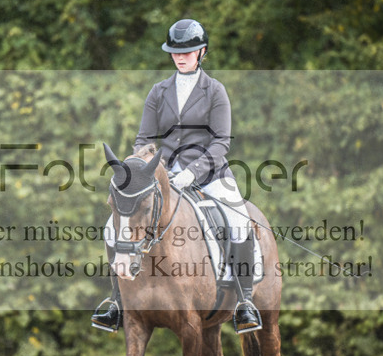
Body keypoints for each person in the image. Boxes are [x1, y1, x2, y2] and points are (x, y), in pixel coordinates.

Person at [91, 18, 262, 334]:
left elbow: (221, 142)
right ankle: (116, 301)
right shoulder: (159, 91)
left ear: (202, 52)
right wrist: (141, 167)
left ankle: (244, 301)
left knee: (238, 220)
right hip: (165, 176)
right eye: (175, 52)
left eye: (188, 52)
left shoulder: (215, 91)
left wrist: (193, 172)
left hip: (211, 174)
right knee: (111, 228)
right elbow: (144, 139)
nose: (180, 57)